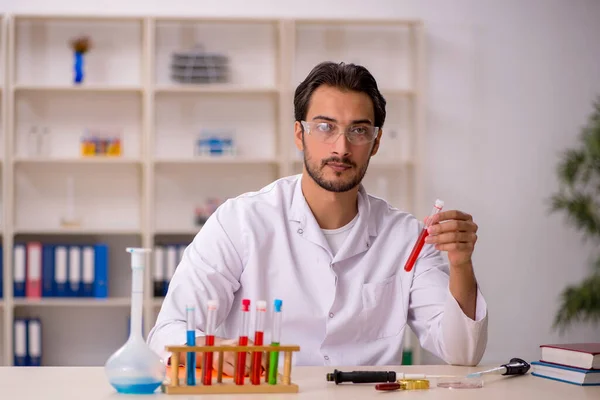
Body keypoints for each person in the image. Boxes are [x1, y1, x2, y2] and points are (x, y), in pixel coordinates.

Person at [147, 61, 488, 375]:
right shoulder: (241, 222)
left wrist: (461, 264)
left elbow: (462, 352)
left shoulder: (406, 236)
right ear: (300, 134)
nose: (341, 147)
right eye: (325, 127)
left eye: (358, 131)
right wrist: (215, 348)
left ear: (375, 141)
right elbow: (168, 332)